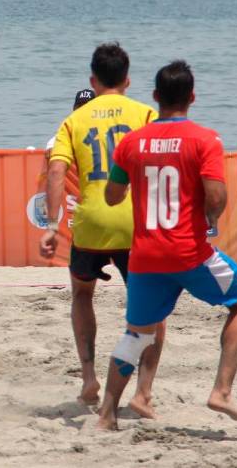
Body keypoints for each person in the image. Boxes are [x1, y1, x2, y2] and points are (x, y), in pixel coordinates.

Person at [97, 60, 237, 430]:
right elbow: (216, 196)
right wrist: (210, 220)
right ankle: (221, 391)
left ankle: (107, 414)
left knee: (136, 334)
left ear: (155, 97)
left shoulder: (131, 142)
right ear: (192, 97)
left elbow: (111, 195)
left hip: (145, 256)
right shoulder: (205, 139)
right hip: (188, 251)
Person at [39, 43, 164, 412]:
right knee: (153, 308)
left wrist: (50, 224)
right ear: (127, 80)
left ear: (93, 80)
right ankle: (142, 393)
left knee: (81, 295)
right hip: (134, 222)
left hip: (91, 222)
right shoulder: (145, 113)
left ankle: (90, 377)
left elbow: (57, 172)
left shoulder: (73, 120)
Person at [44, 89, 96, 158]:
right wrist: (51, 147)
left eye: (87, 106)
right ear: (74, 109)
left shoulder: (102, 125)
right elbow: (57, 140)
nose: (82, 110)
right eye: (80, 106)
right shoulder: (70, 126)